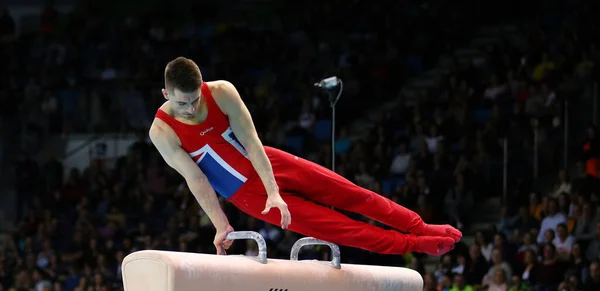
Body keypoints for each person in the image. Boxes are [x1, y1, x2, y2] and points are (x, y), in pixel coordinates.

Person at [149, 57, 462, 256]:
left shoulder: (221, 92)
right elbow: (196, 178)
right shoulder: (163, 132)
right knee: (340, 228)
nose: (190, 108)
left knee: (354, 195)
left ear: (201, 86)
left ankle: (419, 227)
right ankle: (414, 245)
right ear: (166, 95)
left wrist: (274, 190)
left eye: (194, 100)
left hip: (270, 163)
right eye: (182, 104)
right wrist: (221, 224)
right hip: (245, 193)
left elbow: (252, 141)